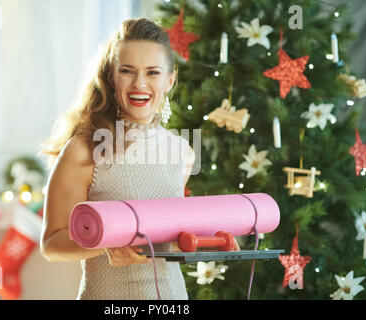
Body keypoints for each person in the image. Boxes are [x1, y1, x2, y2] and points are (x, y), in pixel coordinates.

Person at [38, 17, 239, 300]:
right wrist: (106, 246)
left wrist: (210, 242)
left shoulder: (182, 153)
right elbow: (51, 243)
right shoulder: (83, 150)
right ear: (111, 77)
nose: (139, 84)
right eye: (128, 71)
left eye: (153, 72)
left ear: (170, 80)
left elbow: (167, 240)